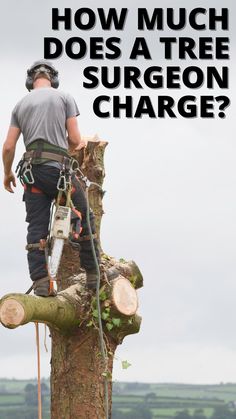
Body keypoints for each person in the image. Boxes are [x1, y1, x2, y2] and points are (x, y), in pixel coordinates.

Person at [2, 60, 100, 296]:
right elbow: (76, 140)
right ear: (53, 79)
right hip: (58, 174)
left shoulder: (19, 106)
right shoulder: (64, 97)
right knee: (85, 215)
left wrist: (6, 173)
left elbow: (8, 147)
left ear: (30, 81)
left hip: (32, 175)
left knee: (36, 228)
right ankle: (93, 275)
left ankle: (42, 282)